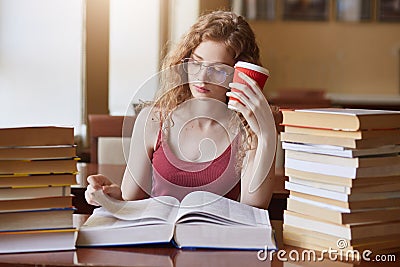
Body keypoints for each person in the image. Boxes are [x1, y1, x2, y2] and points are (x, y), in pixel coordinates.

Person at [85, 10, 277, 209]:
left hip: (215, 237)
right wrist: (105, 193)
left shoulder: (250, 133)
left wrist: (267, 135)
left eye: (218, 70)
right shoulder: (152, 120)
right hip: (158, 235)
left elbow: (254, 209)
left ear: (239, 75)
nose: (202, 78)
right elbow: (130, 199)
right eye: (195, 62)